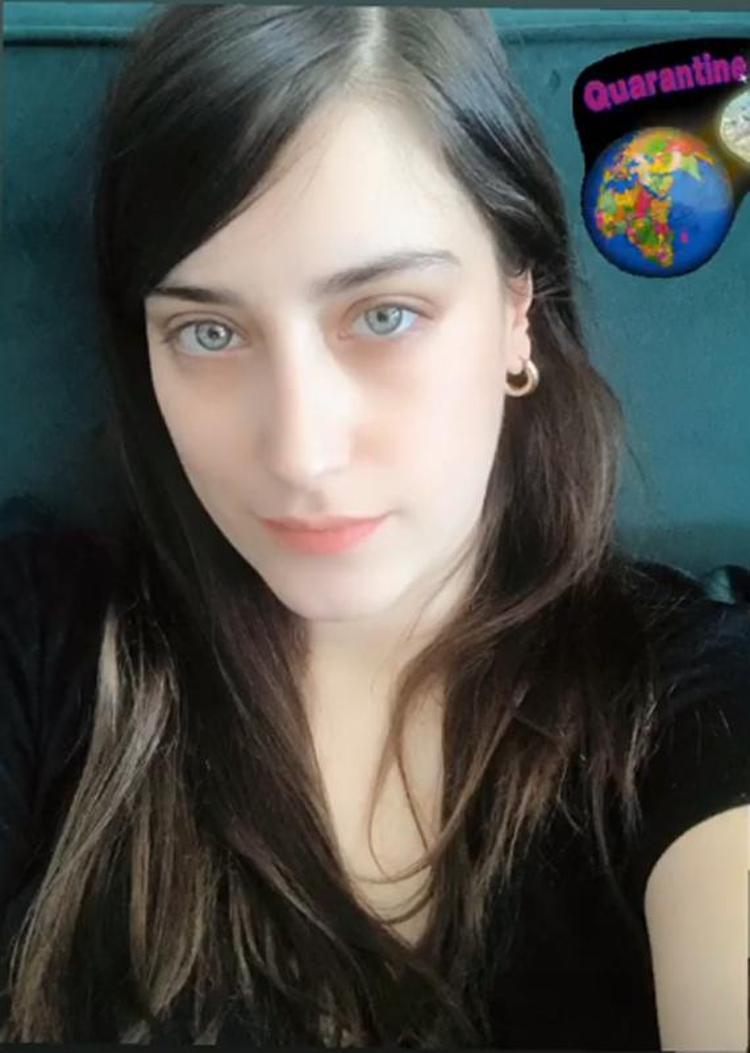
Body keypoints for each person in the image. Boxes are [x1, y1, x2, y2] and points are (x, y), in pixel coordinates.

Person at [1, 4, 748, 1048]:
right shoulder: (43, 650)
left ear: (517, 313)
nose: (300, 452)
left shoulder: (696, 706)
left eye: (385, 314)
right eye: (208, 332)